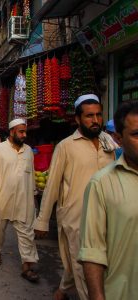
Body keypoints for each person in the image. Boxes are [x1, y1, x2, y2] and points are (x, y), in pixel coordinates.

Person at [34, 94, 115, 300]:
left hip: (106, 217)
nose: (95, 120)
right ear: (78, 119)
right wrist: (42, 221)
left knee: (101, 264)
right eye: (89, 116)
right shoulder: (65, 146)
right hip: (76, 218)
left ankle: (61, 291)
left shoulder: (109, 144)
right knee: (83, 267)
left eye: (98, 115)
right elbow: (51, 185)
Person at [78, 101, 138, 300]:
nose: (94, 120)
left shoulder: (106, 148)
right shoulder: (101, 184)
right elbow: (92, 252)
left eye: (98, 115)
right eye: (136, 135)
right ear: (119, 139)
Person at [0, 118, 39, 282]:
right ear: (12, 132)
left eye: (25, 131)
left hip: (24, 199)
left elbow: (32, 175)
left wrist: (34, 197)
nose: (24, 135)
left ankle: (27, 266)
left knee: (27, 233)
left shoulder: (28, 151)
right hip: (2, 197)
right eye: (21, 131)